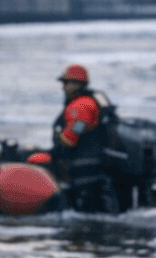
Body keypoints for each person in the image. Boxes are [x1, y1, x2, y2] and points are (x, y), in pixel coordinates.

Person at [38, 64, 117, 212]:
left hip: (84, 170)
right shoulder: (92, 101)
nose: (63, 88)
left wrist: (61, 139)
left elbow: (72, 137)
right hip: (98, 168)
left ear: (76, 84)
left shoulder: (80, 107)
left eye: (66, 83)